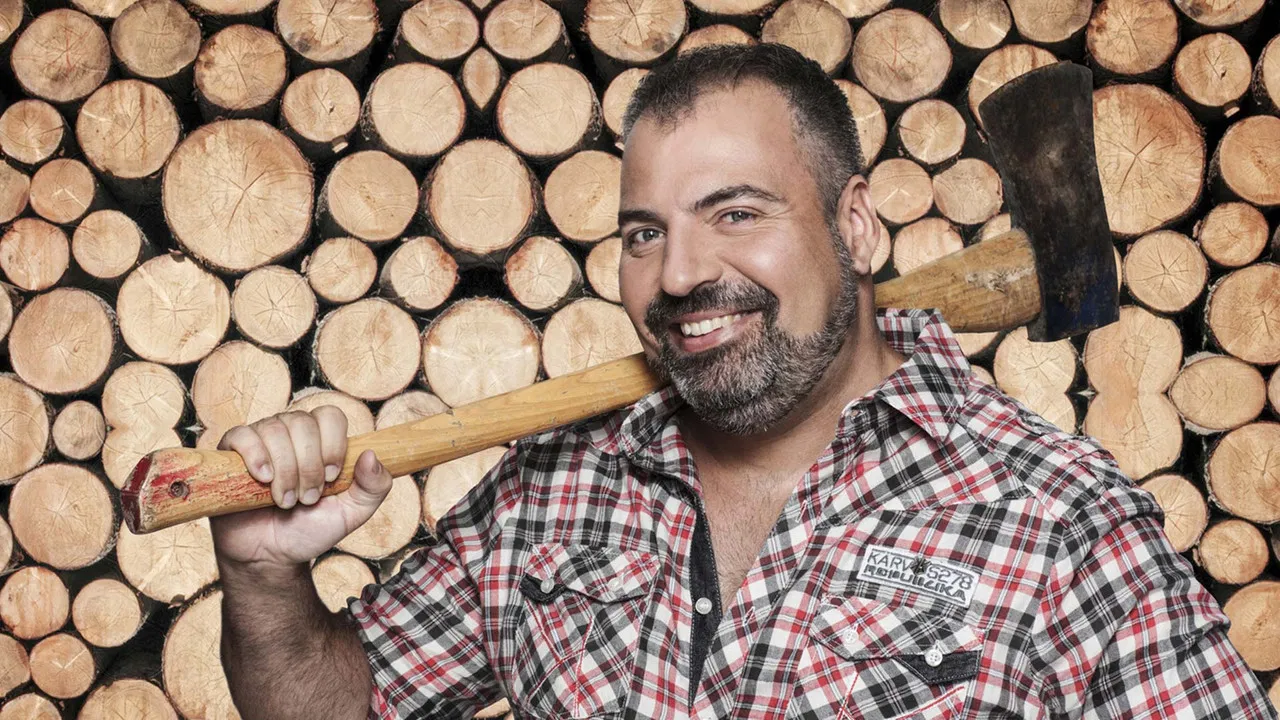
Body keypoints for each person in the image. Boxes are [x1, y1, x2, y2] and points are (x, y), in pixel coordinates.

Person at [211, 44, 1277, 720]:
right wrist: (263, 578)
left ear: (856, 225)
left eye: (736, 212)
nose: (679, 275)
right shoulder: (549, 492)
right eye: (644, 232)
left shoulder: (1061, 521)